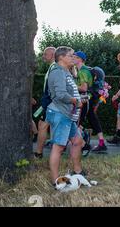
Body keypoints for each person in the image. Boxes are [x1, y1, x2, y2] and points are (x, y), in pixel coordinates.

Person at [46, 46, 85, 185]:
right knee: (59, 147)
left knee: (78, 141)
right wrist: (75, 101)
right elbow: (60, 94)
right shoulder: (57, 72)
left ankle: (78, 172)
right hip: (60, 113)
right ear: (61, 57)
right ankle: (56, 181)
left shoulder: (65, 71)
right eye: (70, 55)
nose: (73, 58)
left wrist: (78, 100)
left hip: (67, 114)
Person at [72, 51, 106, 153]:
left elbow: (84, 88)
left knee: (76, 122)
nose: (72, 58)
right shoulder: (84, 70)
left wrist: (71, 86)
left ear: (79, 59)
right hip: (89, 98)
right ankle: (101, 143)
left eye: (74, 57)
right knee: (92, 119)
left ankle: (83, 144)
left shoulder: (83, 71)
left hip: (84, 99)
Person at [34, 47, 56, 159]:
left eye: (45, 54)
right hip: (50, 101)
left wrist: (48, 102)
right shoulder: (53, 67)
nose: (43, 56)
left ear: (52, 55)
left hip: (49, 102)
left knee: (42, 126)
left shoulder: (54, 68)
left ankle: (38, 153)